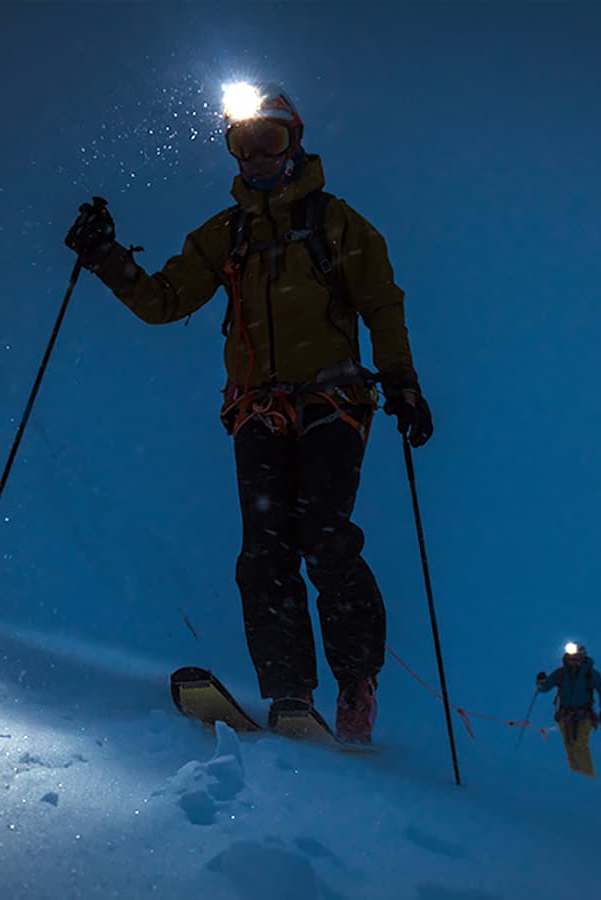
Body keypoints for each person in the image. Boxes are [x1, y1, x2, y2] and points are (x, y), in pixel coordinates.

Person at [64, 83, 432, 745]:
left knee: (323, 535)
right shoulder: (224, 235)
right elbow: (165, 300)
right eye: (244, 144)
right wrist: (106, 259)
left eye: (271, 140)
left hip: (333, 403)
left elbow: (382, 303)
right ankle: (292, 697)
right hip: (256, 410)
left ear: (295, 143)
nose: (258, 156)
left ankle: (355, 684)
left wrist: (403, 385)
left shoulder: (337, 223)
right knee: (264, 552)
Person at [536, 643, 601, 777]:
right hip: (565, 716)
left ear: (582, 657)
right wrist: (540, 683)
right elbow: (544, 688)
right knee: (570, 747)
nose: (573, 661)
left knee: (580, 746)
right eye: (570, 658)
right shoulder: (561, 673)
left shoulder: (590, 674)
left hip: (584, 715)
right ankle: (576, 778)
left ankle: (588, 778)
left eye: (576, 658)